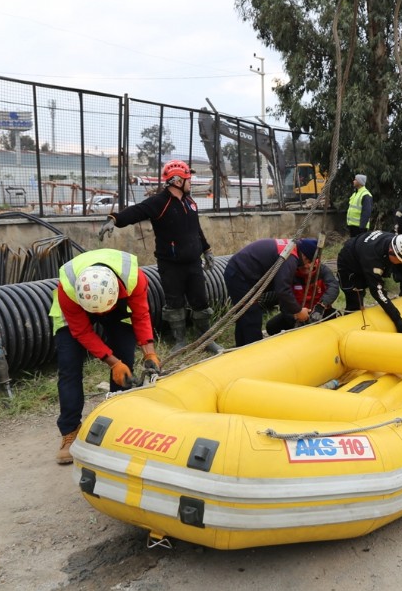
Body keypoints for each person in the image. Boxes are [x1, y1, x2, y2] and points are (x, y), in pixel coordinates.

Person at [98, 159, 221, 354]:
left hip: (193, 263)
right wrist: (114, 219)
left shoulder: (190, 202)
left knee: (201, 302)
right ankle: (180, 342)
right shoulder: (159, 202)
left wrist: (206, 250)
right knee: (174, 304)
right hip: (170, 265)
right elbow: (137, 211)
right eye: (189, 179)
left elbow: (195, 229)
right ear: (178, 181)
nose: (191, 182)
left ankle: (205, 340)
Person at [49, 249, 158, 464]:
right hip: (75, 309)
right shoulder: (68, 289)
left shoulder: (133, 279)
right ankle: (70, 431)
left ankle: (119, 425)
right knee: (69, 368)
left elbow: (141, 315)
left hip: (118, 305)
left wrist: (149, 352)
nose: (100, 316)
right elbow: (81, 332)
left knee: (125, 356)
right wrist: (112, 362)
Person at [223, 238, 319, 347]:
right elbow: (282, 289)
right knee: (252, 316)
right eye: (309, 262)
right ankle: (255, 351)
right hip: (240, 275)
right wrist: (298, 310)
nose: (307, 266)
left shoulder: (291, 248)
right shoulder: (290, 258)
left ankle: (241, 348)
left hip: (239, 271)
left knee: (244, 315)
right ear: (305, 256)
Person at [336, 231, 402, 333]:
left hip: (363, 254)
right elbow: (378, 291)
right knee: (356, 299)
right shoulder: (372, 258)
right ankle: (349, 331)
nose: (401, 263)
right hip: (349, 264)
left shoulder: (397, 244)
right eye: (400, 261)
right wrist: (397, 319)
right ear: (391, 251)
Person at [265, 259, 339, 335]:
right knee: (272, 326)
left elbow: (333, 287)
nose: (307, 266)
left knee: (336, 318)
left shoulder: (322, 270)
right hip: (297, 312)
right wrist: (294, 318)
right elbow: (283, 300)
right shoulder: (289, 274)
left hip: (320, 311)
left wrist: (321, 306)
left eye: (310, 262)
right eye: (303, 265)